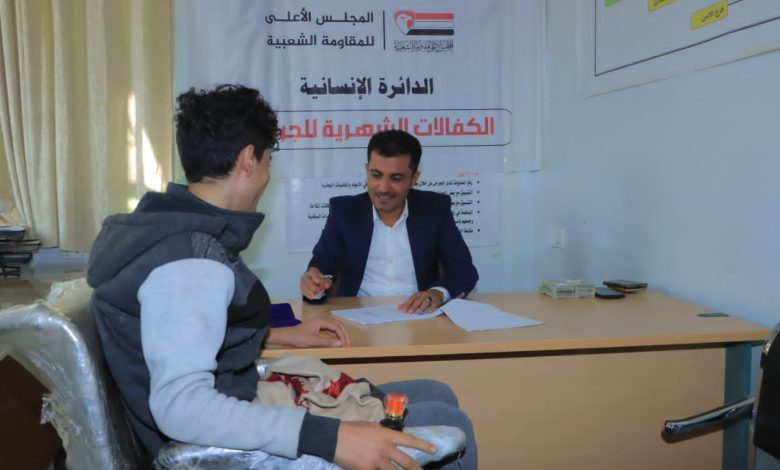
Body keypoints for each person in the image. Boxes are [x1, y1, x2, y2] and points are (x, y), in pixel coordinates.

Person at [87, 84, 476, 470]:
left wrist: (281, 336)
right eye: (268, 161)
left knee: (436, 392)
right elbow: (181, 407)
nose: (267, 176)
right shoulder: (192, 260)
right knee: (451, 420)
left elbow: (185, 336)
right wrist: (331, 437)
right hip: (232, 442)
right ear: (248, 159)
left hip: (243, 404)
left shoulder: (173, 233)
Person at [300, 130, 479, 313]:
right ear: (366, 170)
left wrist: (437, 293)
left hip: (419, 316)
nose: (384, 188)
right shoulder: (344, 212)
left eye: (396, 178)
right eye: (376, 175)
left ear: (414, 178)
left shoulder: (435, 210)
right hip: (358, 317)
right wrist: (314, 283)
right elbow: (321, 267)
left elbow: (464, 271)